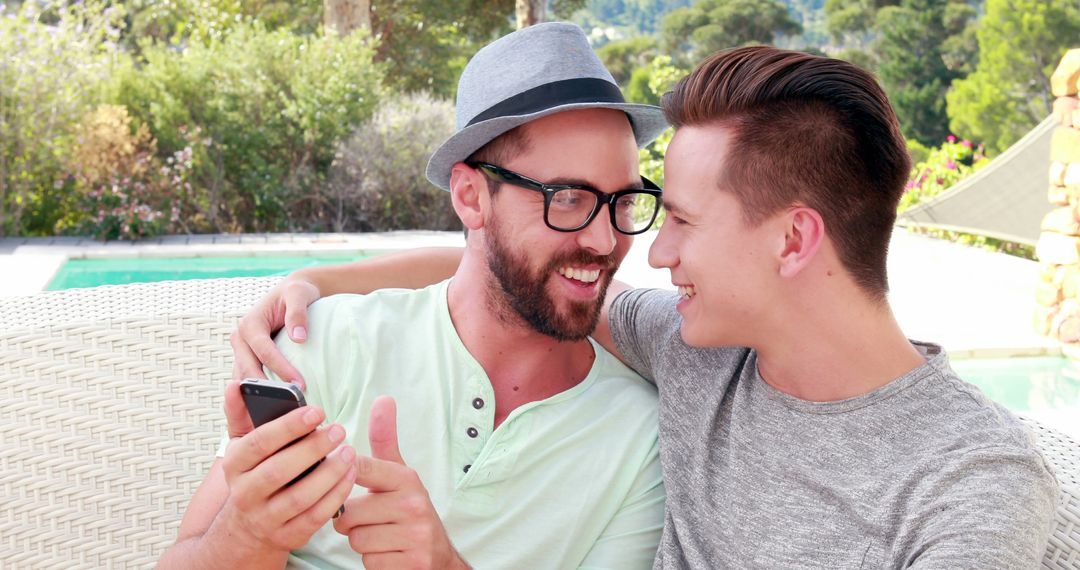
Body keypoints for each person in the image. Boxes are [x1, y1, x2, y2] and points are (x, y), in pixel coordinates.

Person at [234, 45, 1060, 567]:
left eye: (685, 223)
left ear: (793, 241)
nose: (652, 252)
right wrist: (319, 284)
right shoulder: (700, 351)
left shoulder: (971, 481)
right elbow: (525, 265)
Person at [161, 22, 671, 569]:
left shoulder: (642, 438)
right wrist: (250, 533)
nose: (606, 239)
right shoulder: (326, 340)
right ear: (471, 197)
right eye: (567, 197)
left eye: (624, 200)